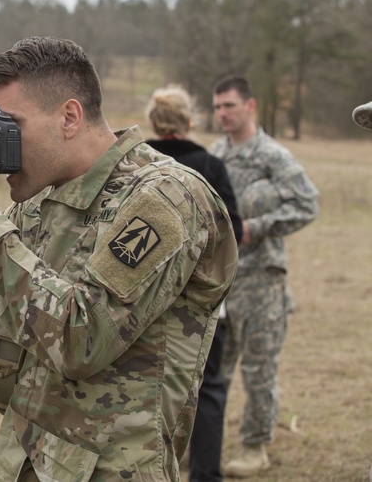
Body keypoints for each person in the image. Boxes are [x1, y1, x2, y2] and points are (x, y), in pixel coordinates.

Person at [0, 37, 238, 481]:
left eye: (10, 126)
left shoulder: (165, 197)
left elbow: (83, 340)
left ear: (69, 117)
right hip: (18, 463)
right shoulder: (40, 201)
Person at [209, 75, 319, 478]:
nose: (222, 113)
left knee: (259, 370)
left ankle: (255, 447)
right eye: (217, 106)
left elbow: (307, 203)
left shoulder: (273, 156)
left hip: (263, 282)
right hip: (223, 283)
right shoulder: (215, 155)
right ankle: (202, 444)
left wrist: (259, 226)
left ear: (250, 106)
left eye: (229, 106)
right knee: (210, 371)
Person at [145, 84, 244, 482]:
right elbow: (232, 231)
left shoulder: (138, 161)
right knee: (208, 387)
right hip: (201, 304)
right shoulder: (210, 165)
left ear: (153, 120)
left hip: (144, 299)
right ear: (189, 121)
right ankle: (206, 474)